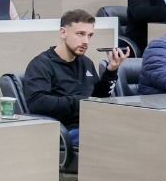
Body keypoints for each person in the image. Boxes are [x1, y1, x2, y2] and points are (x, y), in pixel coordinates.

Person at [23, 9, 124, 142]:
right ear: (63, 32)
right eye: (80, 34)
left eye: (89, 35)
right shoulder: (41, 65)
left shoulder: (86, 63)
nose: (86, 41)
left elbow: (98, 98)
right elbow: (36, 103)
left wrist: (111, 70)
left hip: (92, 125)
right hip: (64, 132)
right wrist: (78, 101)